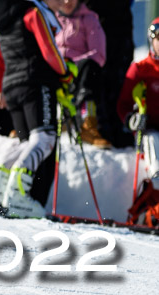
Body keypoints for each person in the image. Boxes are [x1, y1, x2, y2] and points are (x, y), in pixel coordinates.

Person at [0, 0, 71, 218]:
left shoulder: (5, 19)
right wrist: (65, 73)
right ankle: (17, 195)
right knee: (44, 138)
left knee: (26, 143)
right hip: (35, 81)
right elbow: (49, 50)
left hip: (11, 86)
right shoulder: (31, 12)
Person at [55, 0, 111, 148]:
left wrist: (73, 63)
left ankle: (88, 124)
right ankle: (36, 123)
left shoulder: (89, 19)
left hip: (80, 70)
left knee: (90, 69)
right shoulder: (51, 19)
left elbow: (99, 54)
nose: (67, 2)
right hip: (56, 67)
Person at [117, 17, 159, 192]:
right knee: (153, 140)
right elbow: (123, 104)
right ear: (152, 40)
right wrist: (131, 119)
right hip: (148, 130)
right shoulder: (141, 69)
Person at [85, 0, 134, 148]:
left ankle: (118, 127)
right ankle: (101, 127)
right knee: (99, 75)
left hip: (121, 21)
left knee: (119, 77)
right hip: (98, 21)